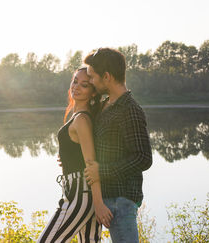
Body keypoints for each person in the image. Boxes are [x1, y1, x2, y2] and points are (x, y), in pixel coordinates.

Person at [83, 48, 153, 243]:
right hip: (108, 200)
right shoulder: (106, 105)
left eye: (92, 77)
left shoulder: (129, 109)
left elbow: (143, 158)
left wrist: (102, 171)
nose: (90, 82)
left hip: (121, 200)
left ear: (106, 77)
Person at [38, 67, 113, 243]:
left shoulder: (81, 119)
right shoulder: (80, 117)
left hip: (82, 195)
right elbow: (80, 154)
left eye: (84, 85)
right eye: (75, 81)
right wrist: (66, 158)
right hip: (81, 193)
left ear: (93, 93)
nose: (76, 87)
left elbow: (91, 163)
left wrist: (99, 203)